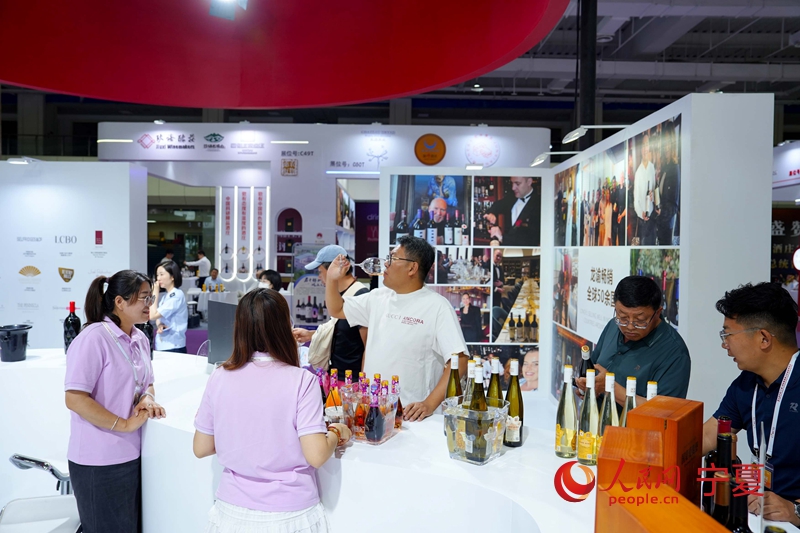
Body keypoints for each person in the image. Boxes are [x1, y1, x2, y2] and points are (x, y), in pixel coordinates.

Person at [193, 289, 351, 533]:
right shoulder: (302, 380)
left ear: (239, 327)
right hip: (290, 514)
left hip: (230, 512)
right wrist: (338, 432)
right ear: (284, 327)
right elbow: (317, 455)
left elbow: (201, 447)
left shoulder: (219, 376)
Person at [324, 236, 468, 421]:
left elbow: (459, 360)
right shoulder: (377, 297)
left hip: (412, 416)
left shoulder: (437, 306)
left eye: (392, 258)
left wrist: (429, 403)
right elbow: (337, 309)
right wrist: (331, 279)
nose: (386, 264)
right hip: (373, 411)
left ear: (412, 268)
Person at [65, 271, 166, 533]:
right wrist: (124, 424)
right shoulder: (93, 338)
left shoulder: (140, 338)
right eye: (144, 297)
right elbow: (75, 398)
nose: (149, 304)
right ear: (119, 302)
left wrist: (148, 398)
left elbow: (147, 383)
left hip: (133, 455)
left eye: (151, 297)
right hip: (98, 461)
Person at [701, 283, 800, 525]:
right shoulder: (746, 384)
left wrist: (796, 510)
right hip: (758, 514)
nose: (724, 344)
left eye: (728, 335)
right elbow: (707, 436)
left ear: (763, 338)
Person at [575, 276, 691, 405]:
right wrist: (586, 385)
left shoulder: (675, 354)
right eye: (623, 317)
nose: (630, 326)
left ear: (658, 312)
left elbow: (664, 411)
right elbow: (594, 365)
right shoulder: (613, 325)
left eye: (640, 321)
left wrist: (610, 387)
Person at [292, 245, 368, 376]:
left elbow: (368, 345)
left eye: (320, 272)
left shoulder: (360, 296)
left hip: (352, 379)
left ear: (338, 269)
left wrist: (363, 381)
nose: (319, 277)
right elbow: (344, 334)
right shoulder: (339, 296)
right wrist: (311, 335)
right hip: (335, 375)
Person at [483, 176, 541, 246]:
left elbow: (532, 239)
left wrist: (502, 237)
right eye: (512, 183)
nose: (513, 188)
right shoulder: (512, 196)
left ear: (529, 182)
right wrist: (491, 214)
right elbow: (497, 205)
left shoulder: (540, 204)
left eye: (517, 183)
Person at [149, 261, 188, 353]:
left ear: (172, 277)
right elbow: (158, 317)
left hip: (174, 345)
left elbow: (152, 315)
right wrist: (159, 325)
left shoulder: (176, 295)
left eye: (161, 274)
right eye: (157, 275)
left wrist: (155, 293)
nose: (158, 278)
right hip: (164, 344)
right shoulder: (166, 296)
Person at [656, 124, 680, 246]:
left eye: (668, 143)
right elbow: (663, 196)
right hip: (661, 225)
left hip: (667, 228)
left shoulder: (675, 168)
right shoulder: (665, 167)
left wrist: (661, 212)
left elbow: (674, 206)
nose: (666, 148)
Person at [633, 134, 656, 245]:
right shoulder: (638, 173)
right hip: (642, 222)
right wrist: (641, 212)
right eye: (643, 145)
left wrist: (653, 196)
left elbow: (656, 193)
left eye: (647, 145)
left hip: (652, 220)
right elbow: (636, 200)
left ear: (649, 147)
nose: (645, 148)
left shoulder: (652, 168)